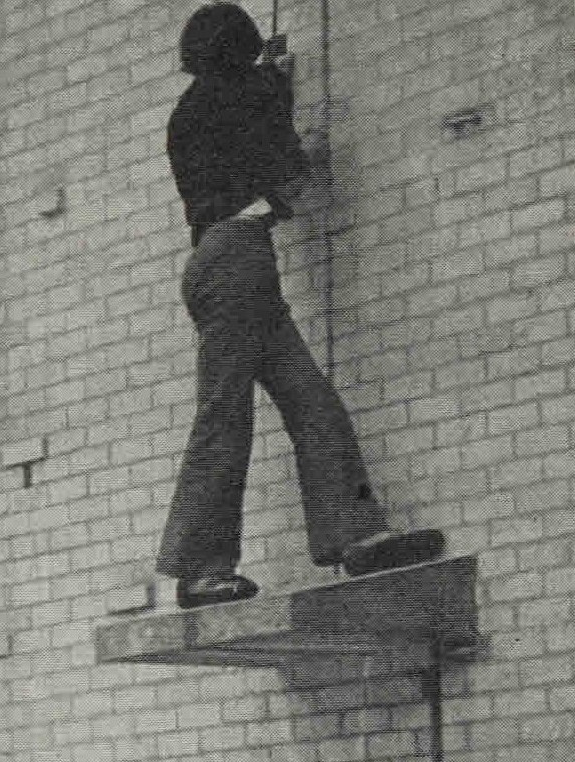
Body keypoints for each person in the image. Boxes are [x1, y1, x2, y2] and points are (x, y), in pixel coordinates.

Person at [156, 2, 442, 608]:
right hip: (239, 261)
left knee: (310, 401)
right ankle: (200, 569)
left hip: (226, 264)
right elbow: (289, 171)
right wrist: (298, 126)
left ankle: (354, 536)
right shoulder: (243, 95)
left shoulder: (188, 113)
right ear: (243, 49)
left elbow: (239, 149)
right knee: (226, 413)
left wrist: (272, 87)